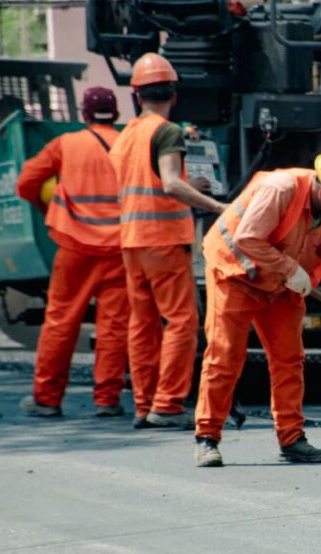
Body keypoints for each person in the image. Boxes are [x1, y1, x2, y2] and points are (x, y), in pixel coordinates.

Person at [192, 151, 321, 467]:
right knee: (225, 356)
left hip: (280, 286)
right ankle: (207, 438)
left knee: (289, 359)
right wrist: (290, 269)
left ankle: (292, 439)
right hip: (235, 273)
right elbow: (247, 238)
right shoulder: (281, 189)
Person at [107, 53, 229, 429]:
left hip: (132, 242)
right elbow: (170, 183)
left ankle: (144, 405)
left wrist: (189, 186)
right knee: (180, 322)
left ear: (136, 94)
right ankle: (168, 405)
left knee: (142, 325)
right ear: (173, 95)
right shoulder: (168, 131)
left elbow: (146, 182)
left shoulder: (125, 135)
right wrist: (217, 206)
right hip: (164, 241)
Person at [15, 87, 128, 418]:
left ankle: (47, 399)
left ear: (84, 115)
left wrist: (49, 210)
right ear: (116, 114)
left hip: (74, 246)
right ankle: (107, 399)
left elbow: (25, 183)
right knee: (114, 326)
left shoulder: (66, 144)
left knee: (61, 321)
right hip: (120, 248)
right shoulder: (128, 143)